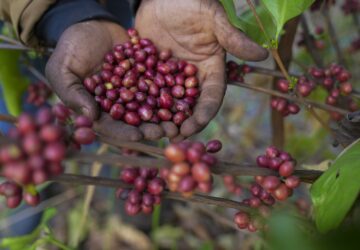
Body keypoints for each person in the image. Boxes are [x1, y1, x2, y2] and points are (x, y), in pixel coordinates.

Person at [0, 0, 268, 142]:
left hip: (127, 9)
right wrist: (63, 11)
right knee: (35, 134)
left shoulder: (142, 78)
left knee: (95, 117)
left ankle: (112, 183)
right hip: (37, 20)